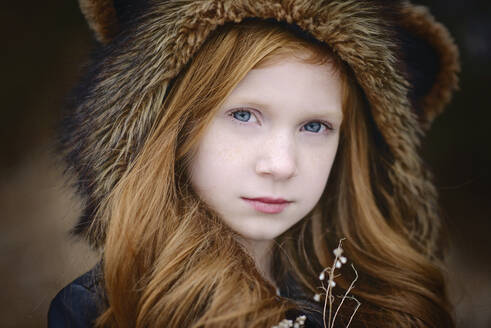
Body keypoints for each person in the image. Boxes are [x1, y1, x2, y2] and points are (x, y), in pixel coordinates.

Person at [48, 1, 460, 327]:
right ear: (175, 126)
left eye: (315, 126)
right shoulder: (106, 309)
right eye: (244, 115)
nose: (281, 165)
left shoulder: (388, 302)